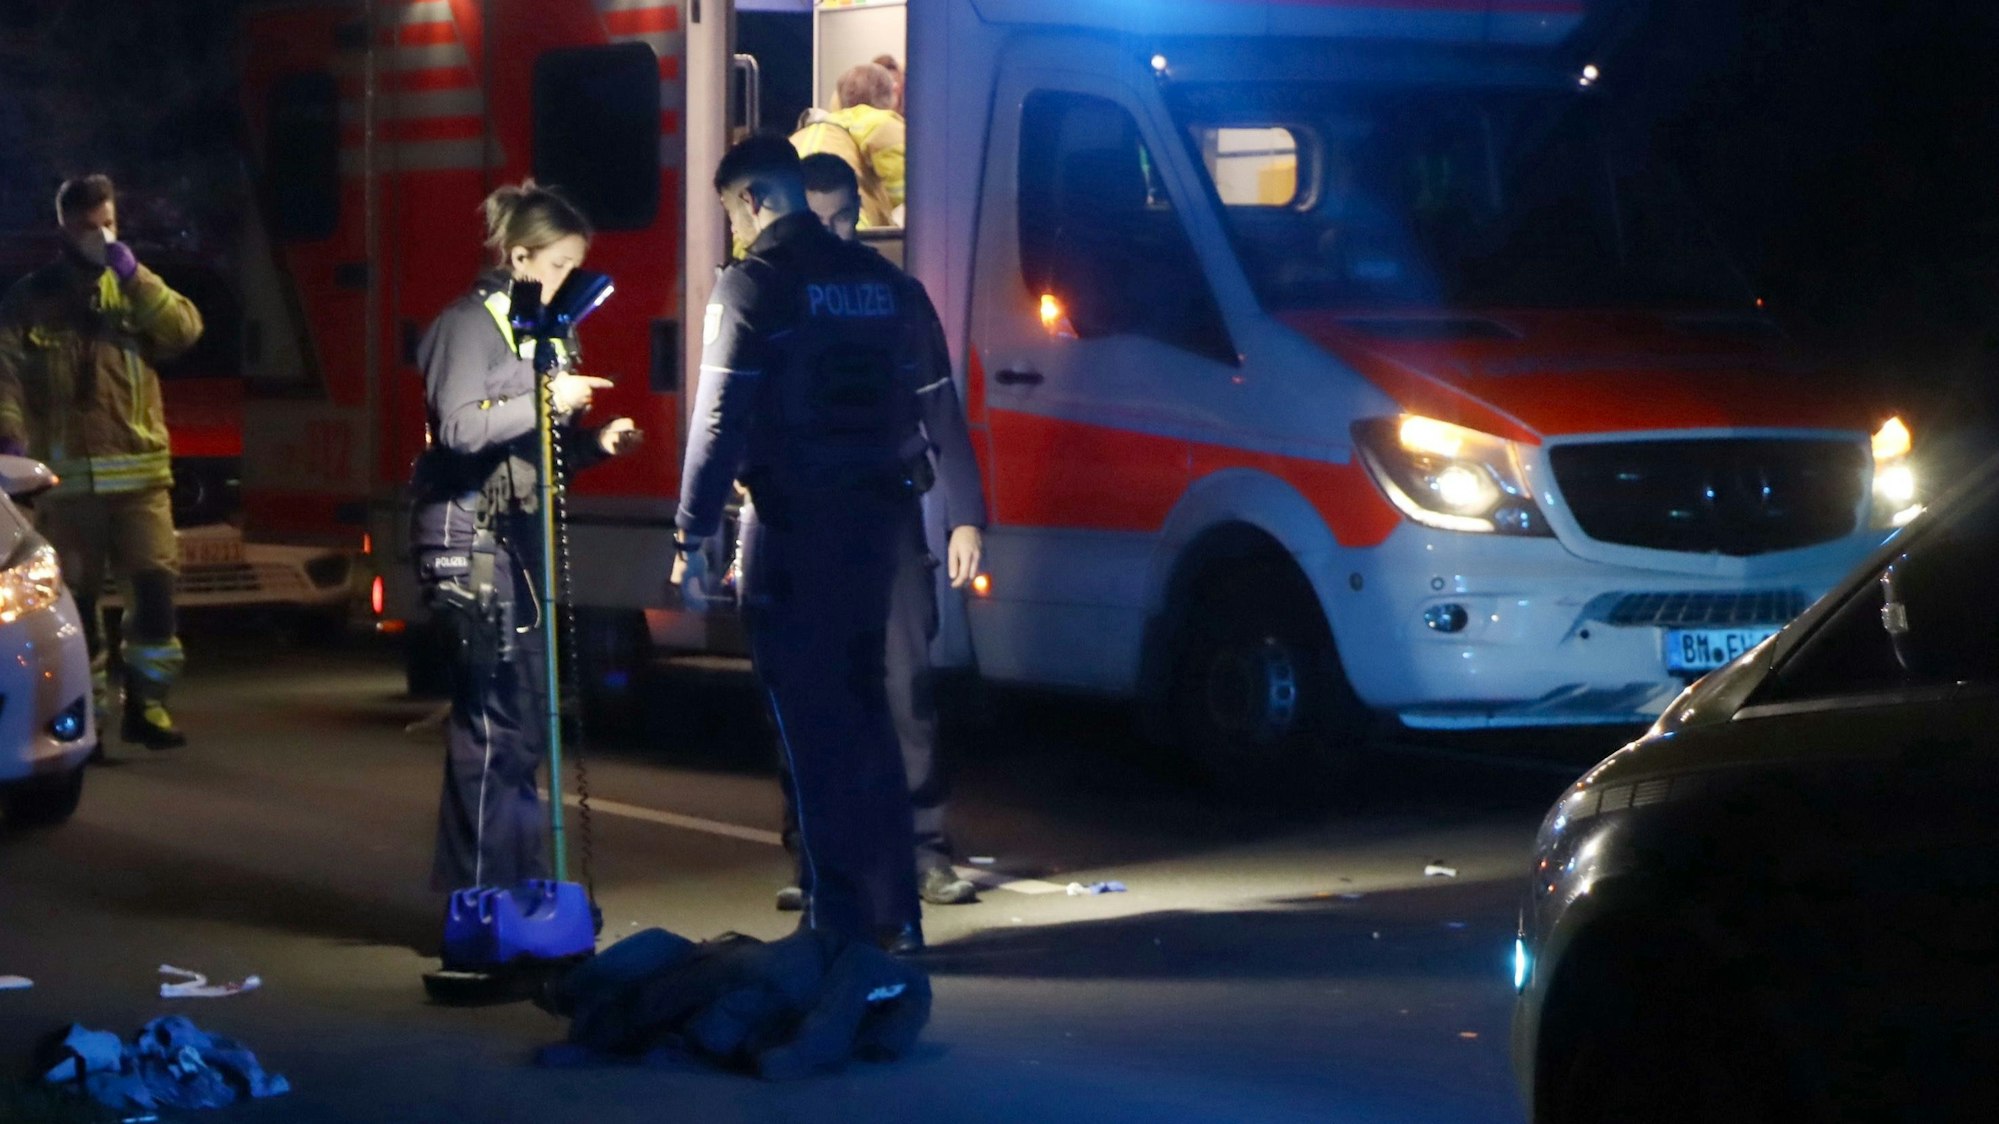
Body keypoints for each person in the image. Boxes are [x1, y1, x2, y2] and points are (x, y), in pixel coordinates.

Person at [675, 135, 928, 952]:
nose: (735, 231)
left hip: (793, 525)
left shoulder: (755, 284)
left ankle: (835, 919)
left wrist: (692, 528)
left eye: (732, 214)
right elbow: (919, 396)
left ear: (752, 200)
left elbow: (719, 418)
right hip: (875, 525)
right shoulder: (881, 283)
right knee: (868, 714)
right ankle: (897, 913)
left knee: (811, 729)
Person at [410, 181, 639, 899]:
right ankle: (479, 902)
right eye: (560, 264)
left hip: (520, 536)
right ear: (518, 257)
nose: (569, 279)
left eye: (576, 265)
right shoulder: (466, 325)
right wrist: (546, 399)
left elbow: (537, 449)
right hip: (467, 538)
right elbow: (459, 427)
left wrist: (595, 443)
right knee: (492, 726)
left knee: (526, 726)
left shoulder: (548, 332)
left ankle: (525, 893)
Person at [775, 152, 985, 911]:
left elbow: (939, 405)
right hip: (803, 514)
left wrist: (965, 515)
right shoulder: (775, 292)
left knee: (904, 685)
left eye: (844, 218)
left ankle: (924, 849)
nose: (834, 232)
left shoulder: (895, 295)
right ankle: (816, 859)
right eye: (819, 219)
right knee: (812, 692)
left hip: (887, 511)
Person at [0, 174, 202, 750]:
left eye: (108, 223)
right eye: (89, 226)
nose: (101, 235)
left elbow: (185, 330)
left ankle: (149, 707)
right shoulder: (32, 299)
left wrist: (135, 276)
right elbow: (5, 374)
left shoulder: (134, 288)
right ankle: (87, 719)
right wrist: (10, 438)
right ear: (64, 227)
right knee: (76, 607)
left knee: (155, 595)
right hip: (67, 488)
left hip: (141, 479)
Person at [790, 63, 906, 229]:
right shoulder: (880, 122)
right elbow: (911, 193)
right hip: (838, 220)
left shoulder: (813, 131)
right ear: (894, 93)